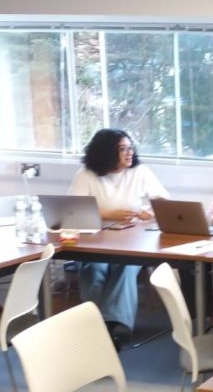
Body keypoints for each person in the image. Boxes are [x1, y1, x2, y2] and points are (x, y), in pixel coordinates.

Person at [68, 128, 168, 348]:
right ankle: (93, 322)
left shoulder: (140, 172)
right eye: (122, 149)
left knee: (125, 267)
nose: (129, 153)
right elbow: (73, 211)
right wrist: (106, 214)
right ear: (106, 152)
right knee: (96, 269)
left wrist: (151, 212)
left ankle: (110, 326)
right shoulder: (86, 175)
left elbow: (165, 203)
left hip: (133, 241)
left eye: (130, 147)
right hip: (95, 240)